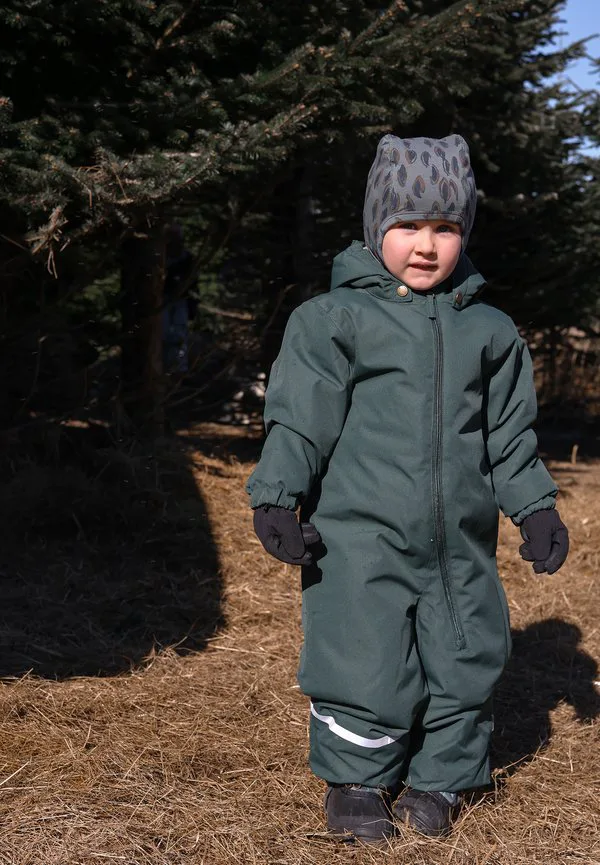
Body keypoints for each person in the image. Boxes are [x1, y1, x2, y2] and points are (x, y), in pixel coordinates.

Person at [246, 134, 569, 845]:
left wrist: (536, 507)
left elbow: (508, 435)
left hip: (459, 543)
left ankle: (441, 778)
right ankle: (357, 782)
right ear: (375, 227)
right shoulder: (334, 320)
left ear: (465, 232)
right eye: (407, 225)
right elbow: (300, 419)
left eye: (445, 227)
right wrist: (276, 495)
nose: (426, 245)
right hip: (360, 536)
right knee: (363, 654)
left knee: (467, 653)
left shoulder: (489, 330)